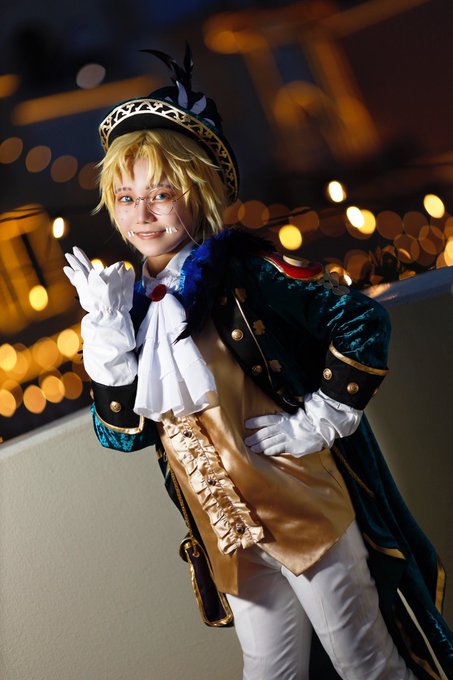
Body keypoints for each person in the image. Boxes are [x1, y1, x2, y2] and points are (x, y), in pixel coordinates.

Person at [64, 46, 452, 680]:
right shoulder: (124, 307)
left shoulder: (247, 274)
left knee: (367, 664)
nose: (142, 214)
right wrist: (106, 332)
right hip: (226, 531)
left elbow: (361, 320)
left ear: (199, 193)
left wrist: (316, 421)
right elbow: (122, 436)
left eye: (161, 193)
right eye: (126, 197)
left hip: (303, 508)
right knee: (269, 671)